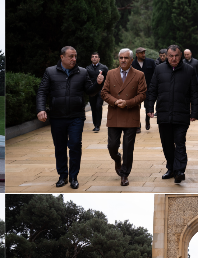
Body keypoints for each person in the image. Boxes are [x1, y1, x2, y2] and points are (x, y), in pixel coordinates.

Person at [36, 46, 104, 189]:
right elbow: (42, 92)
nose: (74, 59)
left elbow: (90, 91)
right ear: (62, 57)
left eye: (75, 56)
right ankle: (62, 176)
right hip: (57, 117)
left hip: (76, 117)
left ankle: (74, 177)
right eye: (71, 56)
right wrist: (41, 109)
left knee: (74, 145)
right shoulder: (50, 72)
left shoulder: (82, 72)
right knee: (60, 147)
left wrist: (98, 84)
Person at [146, 44, 198, 184]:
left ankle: (179, 171)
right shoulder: (159, 69)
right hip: (163, 114)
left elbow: (195, 93)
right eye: (171, 56)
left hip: (181, 114)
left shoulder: (189, 70)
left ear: (180, 55)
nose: (174, 59)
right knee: (167, 144)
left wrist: (194, 111)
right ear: (166, 56)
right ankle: (171, 168)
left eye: (176, 56)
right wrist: (150, 107)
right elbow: (152, 90)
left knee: (180, 143)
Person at [101, 48, 147, 186]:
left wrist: (127, 103)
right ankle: (117, 159)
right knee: (112, 146)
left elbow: (142, 95)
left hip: (131, 115)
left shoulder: (139, 75)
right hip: (114, 114)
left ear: (131, 60)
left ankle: (125, 174)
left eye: (126, 58)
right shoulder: (110, 73)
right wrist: (115, 101)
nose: (123, 60)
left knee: (128, 147)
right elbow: (104, 92)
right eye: (121, 58)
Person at [131, 47, 156, 131]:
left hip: (148, 88)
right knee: (136, 107)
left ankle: (147, 120)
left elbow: (156, 74)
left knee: (148, 106)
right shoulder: (132, 64)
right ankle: (137, 125)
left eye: (144, 53)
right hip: (136, 90)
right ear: (137, 54)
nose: (143, 54)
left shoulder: (151, 62)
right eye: (141, 53)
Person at [86, 52, 109, 133]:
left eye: (96, 57)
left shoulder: (104, 68)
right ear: (91, 59)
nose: (94, 58)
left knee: (98, 106)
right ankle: (95, 124)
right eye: (93, 57)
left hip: (100, 91)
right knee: (93, 107)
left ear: (99, 59)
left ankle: (97, 126)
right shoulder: (88, 68)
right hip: (92, 90)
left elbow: (108, 79)